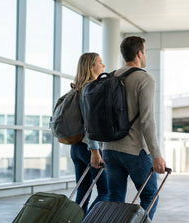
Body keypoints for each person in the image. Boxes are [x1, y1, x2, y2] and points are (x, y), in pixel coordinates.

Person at [101, 36, 167, 220]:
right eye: (144, 51)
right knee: (149, 195)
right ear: (139, 53)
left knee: (115, 200)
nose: (145, 55)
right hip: (135, 150)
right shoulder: (144, 79)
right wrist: (156, 155)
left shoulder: (110, 76)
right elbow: (147, 120)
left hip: (109, 149)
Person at [70, 52, 108, 213]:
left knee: (83, 192)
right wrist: (95, 151)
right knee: (106, 192)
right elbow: (89, 122)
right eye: (100, 62)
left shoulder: (77, 88)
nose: (103, 66)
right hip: (89, 148)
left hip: (76, 148)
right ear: (91, 66)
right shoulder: (90, 89)